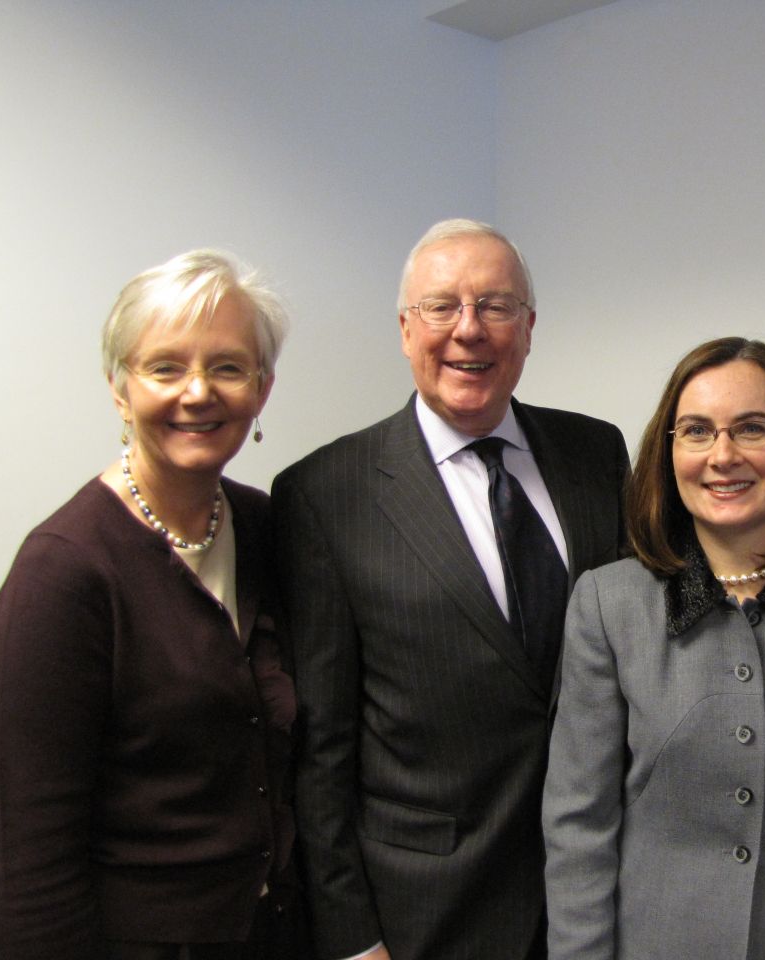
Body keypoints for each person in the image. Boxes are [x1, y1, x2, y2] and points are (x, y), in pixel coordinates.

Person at [272, 218, 629, 960]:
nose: (469, 330)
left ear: (529, 329)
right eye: (442, 307)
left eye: (496, 306)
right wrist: (351, 938)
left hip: (592, 898)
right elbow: (322, 751)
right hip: (424, 916)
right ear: (406, 329)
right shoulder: (325, 493)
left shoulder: (597, 453)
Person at [0, 250, 302, 958]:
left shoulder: (264, 528)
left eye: (227, 367)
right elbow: (30, 861)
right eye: (165, 367)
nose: (198, 392)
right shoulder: (64, 574)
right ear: (119, 387)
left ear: (262, 389)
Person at [544, 337, 765, 960]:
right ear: (669, 454)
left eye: (752, 428)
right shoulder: (607, 606)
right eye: (696, 431)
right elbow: (577, 830)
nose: (723, 455)